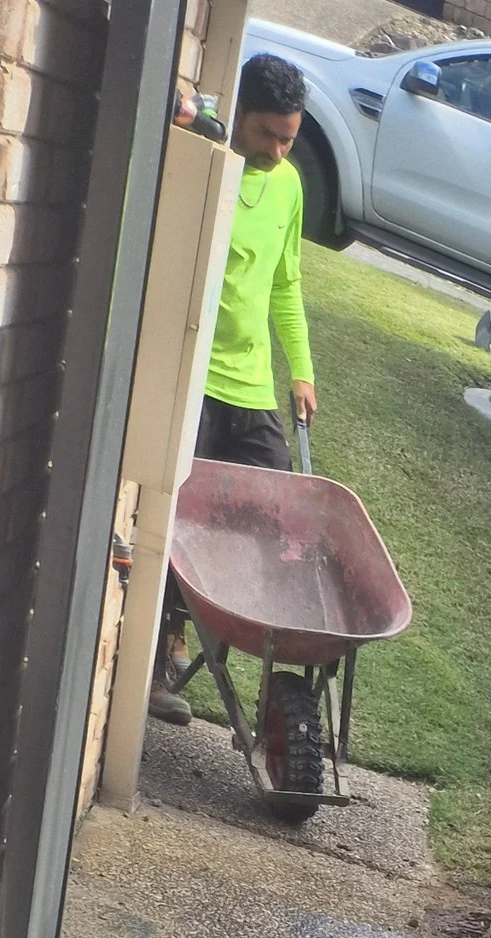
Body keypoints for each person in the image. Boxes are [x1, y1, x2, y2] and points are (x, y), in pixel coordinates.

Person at [151, 51, 317, 723]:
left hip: (250, 387)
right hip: (192, 375)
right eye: (269, 135)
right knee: (176, 518)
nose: (279, 149)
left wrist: (299, 368)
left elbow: (286, 282)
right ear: (241, 116)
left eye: (290, 138)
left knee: (267, 514)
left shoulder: (289, 187)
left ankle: (235, 640)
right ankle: (167, 644)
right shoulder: (207, 167)